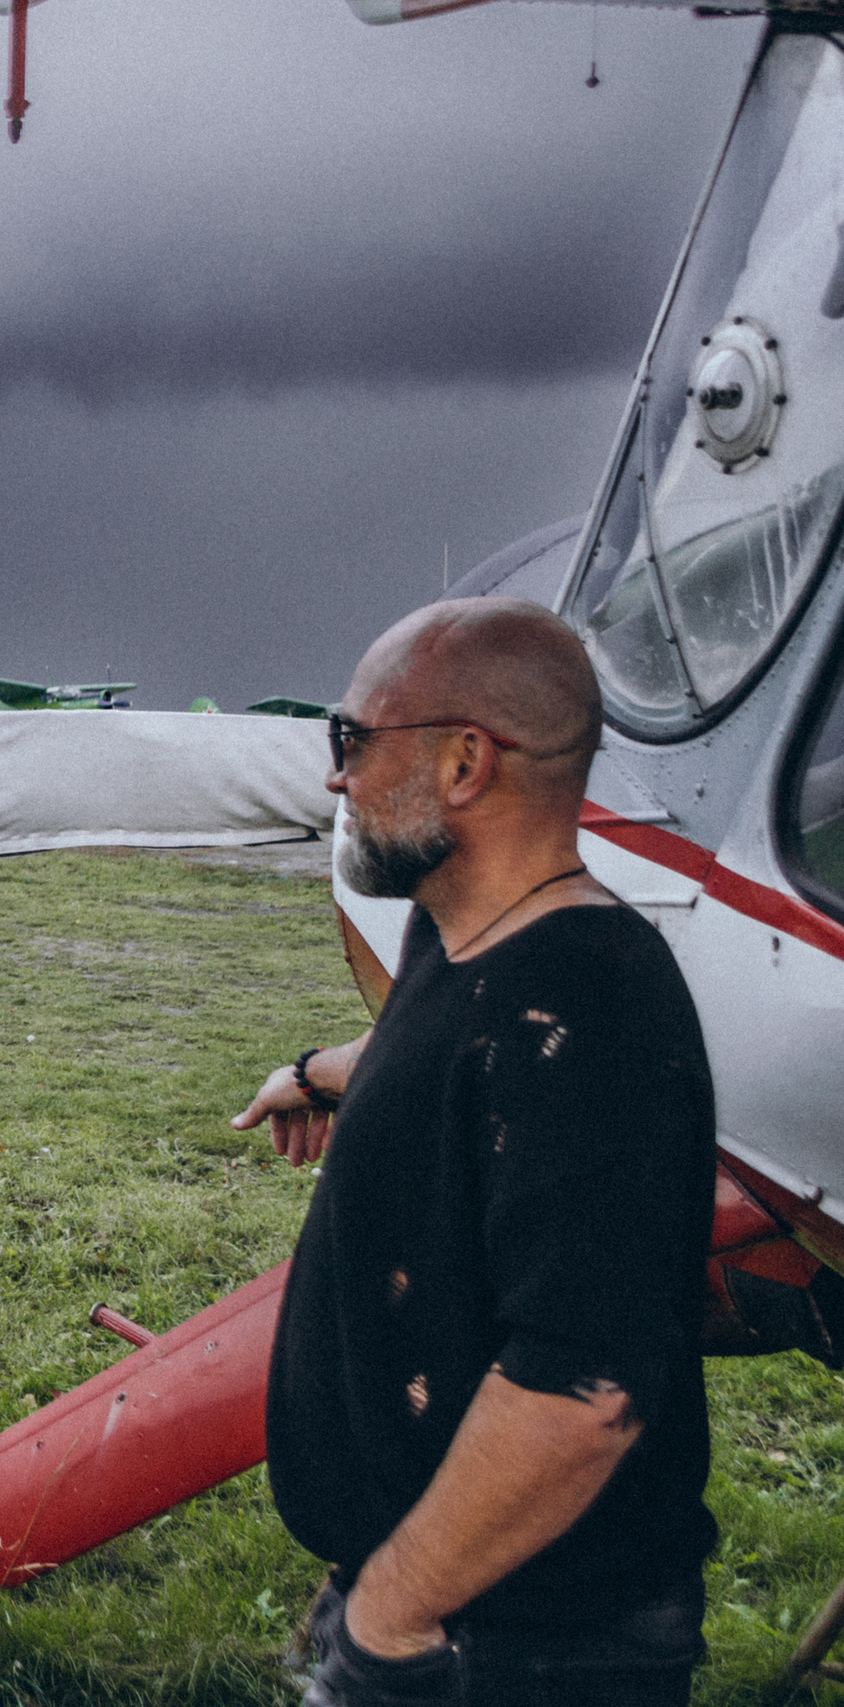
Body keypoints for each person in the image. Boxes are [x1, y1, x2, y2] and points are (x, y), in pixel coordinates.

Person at [231, 597, 717, 1705]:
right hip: (454, 1606)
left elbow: (579, 1387)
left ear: (463, 764)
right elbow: (446, 1053)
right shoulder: (463, 938)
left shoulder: (593, 1007)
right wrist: (317, 1073)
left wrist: (393, 1613)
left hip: (519, 1644)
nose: (335, 778)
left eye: (351, 740)